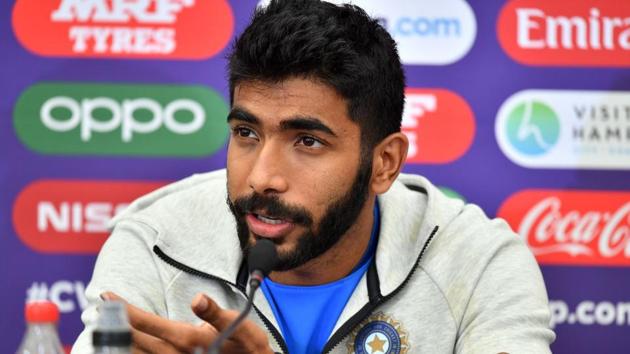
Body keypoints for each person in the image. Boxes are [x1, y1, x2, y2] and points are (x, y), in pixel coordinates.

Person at [72, 0, 555, 353]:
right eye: (246, 132)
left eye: (308, 141)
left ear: (384, 162)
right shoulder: (156, 244)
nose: (262, 178)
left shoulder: (477, 262)